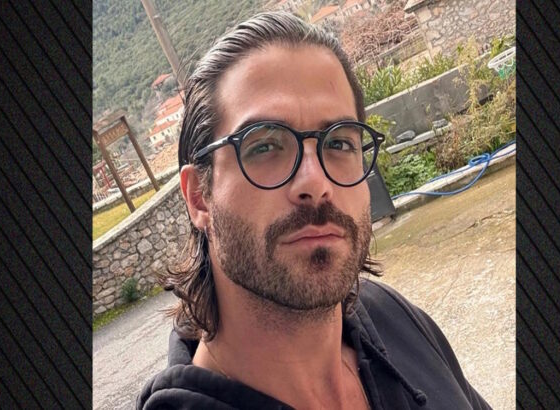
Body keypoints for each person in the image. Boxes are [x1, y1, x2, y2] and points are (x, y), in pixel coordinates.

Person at [138, 11, 491, 410]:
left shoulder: (394, 318)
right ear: (199, 197)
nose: (316, 183)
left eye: (338, 143)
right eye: (264, 146)